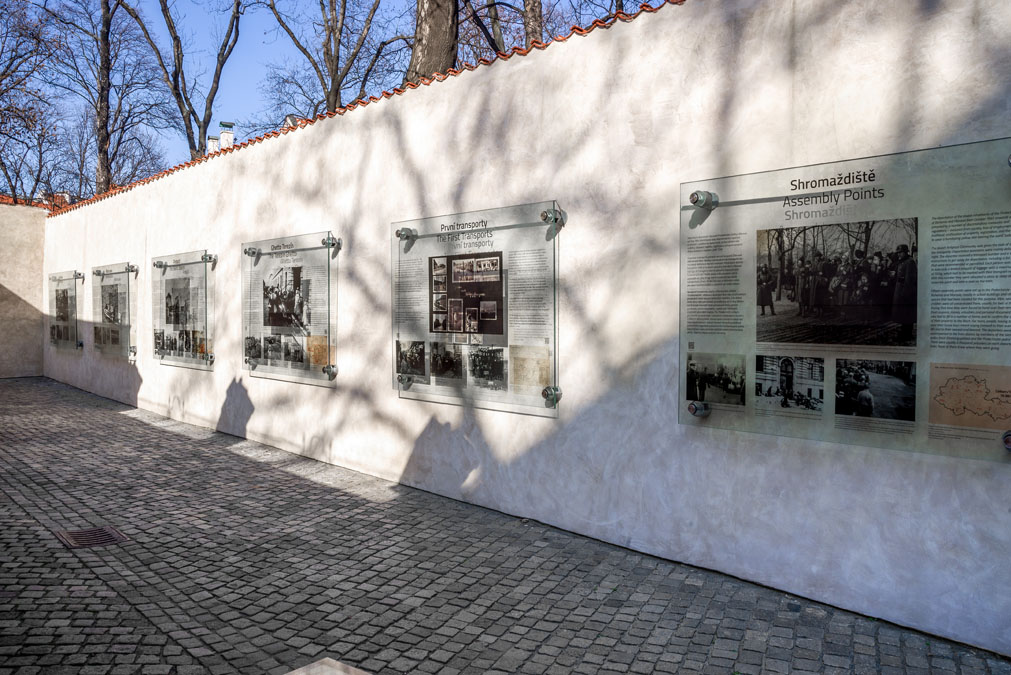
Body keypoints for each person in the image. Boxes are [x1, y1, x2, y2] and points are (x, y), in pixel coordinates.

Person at [892, 244, 917, 342]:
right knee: (903, 314)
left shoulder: (910, 262)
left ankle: (907, 334)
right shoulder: (902, 262)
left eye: (901, 252)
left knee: (907, 314)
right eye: (898, 253)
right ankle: (904, 332)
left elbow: (909, 280)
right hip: (900, 290)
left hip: (906, 292)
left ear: (906, 252)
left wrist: (905, 293)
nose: (899, 254)